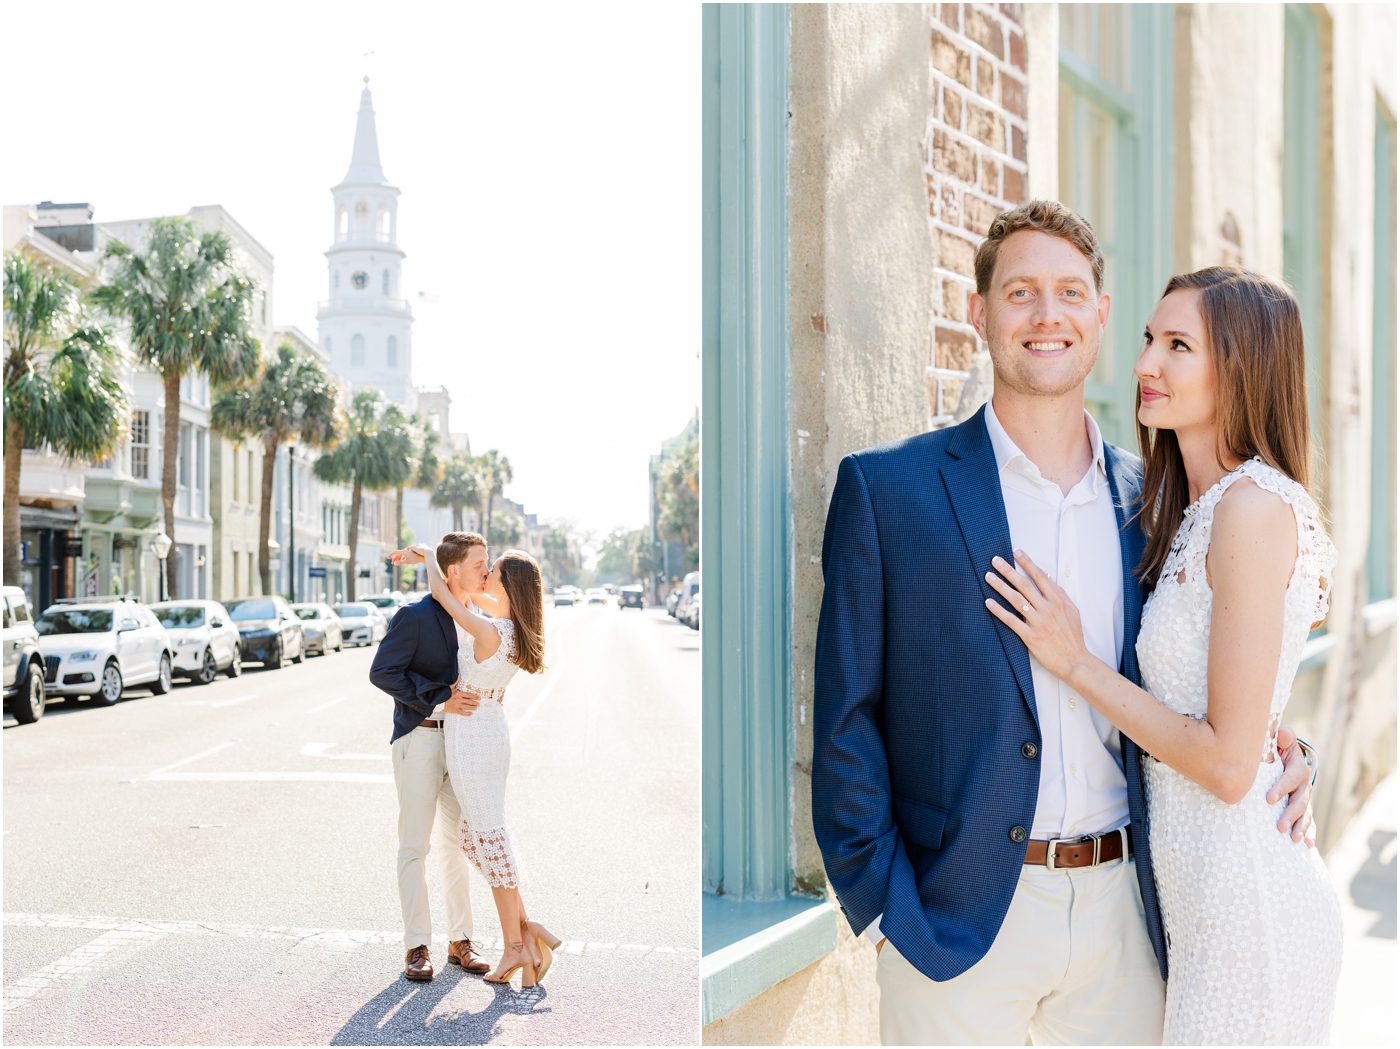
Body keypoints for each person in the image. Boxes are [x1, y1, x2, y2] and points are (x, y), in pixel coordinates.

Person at [810, 200, 1318, 1045]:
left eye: (1070, 292)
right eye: (1020, 293)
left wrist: (1284, 744)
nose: (1048, 315)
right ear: (979, 313)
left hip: (1132, 917)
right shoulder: (886, 492)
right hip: (954, 927)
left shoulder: (1155, 506)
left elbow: (1204, 670)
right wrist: (883, 905)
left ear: (1101, 316)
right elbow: (846, 720)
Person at [983, 266, 1343, 1043]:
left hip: (1249, 911)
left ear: (1243, 367)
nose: (1146, 362)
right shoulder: (1181, 508)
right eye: (1150, 338)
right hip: (1190, 913)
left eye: (1179, 345)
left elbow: (1224, 763)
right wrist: (1288, 738)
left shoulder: (1252, 507)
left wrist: (1075, 661)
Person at [393, 541, 561, 989]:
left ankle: (514, 944)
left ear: (505, 584)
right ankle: (526, 931)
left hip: (471, 742)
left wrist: (428, 558)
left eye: (493, 570)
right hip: (486, 733)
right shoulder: (508, 622)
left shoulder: (492, 631)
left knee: (488, 838)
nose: (486, 574)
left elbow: (447, 596)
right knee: (482, 836)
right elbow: (467, 595)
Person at [368, 532, 493, 983]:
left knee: (458, 844)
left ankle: (461, 940)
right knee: (413, 847)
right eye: (480, 563)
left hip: (463, 745)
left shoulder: (476, 615)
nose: (486, 570)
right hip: (419, 739)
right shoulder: (415, 616)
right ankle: (416, 945)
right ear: (453, 571)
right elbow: (382, 672)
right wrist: (441, 699)